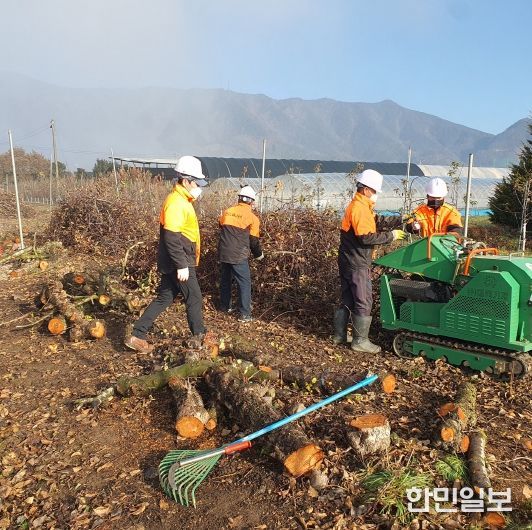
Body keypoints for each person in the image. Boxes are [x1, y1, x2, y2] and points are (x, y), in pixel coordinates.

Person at [125, 155, 208, 353]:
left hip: (176, 260)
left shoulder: (182, 200)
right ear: (186, 181)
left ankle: (137, 335)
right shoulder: (177, 202)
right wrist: (182, 265)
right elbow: (171, 237)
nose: (199, 187)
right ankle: (199, 337)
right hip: (179, 261)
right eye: (196, 183)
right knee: (194, 297)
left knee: (165, 297)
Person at [334, 169, 406, 353]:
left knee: (348, 299)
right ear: (366, 189)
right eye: (374, 191)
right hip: (357, 261)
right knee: (364, 300)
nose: (375, 195)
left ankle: (339, 335)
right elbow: (366, 238)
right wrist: (391, 236)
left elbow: (376, 220)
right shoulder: (359, 209)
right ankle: (360, 341)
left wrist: (401, 219)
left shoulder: (359, 205)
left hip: (348, 259)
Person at [218, 185, 264, 322]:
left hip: (223, 252)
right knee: (244, 283)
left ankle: (225, 307)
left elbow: (221, 227)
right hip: (238, 255)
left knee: (225, 280)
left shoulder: (227, 212)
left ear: (239, 198)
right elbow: (253, 241)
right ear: (251, 201)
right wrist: (259, 255)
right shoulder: (253, 218)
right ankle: (245, 314)